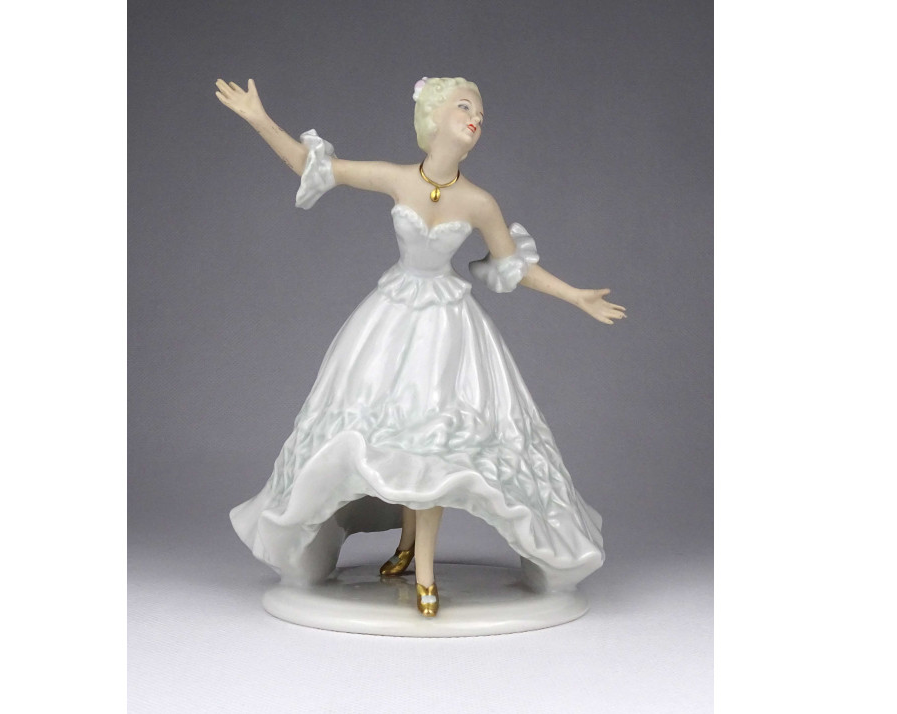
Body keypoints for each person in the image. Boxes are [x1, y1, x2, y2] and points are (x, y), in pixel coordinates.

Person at [216, 76, 626, 618]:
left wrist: (575, 296)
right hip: (392, 319)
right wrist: (259, 119)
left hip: (449, 327)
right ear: (433, 117)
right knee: (396, 434)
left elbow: (514, 267)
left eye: (480, 112)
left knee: (435, 442)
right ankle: (407, 545)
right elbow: (312, 167)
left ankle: (424, 572)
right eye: (464, 106)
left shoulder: (478, 201)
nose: (475, 118)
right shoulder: (397, 178)